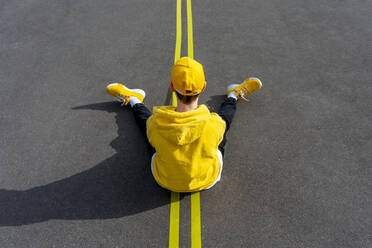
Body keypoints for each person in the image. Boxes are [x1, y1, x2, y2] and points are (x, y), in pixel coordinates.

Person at [106, 57, 262, 192]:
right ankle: (233, 95)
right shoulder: (213, 123)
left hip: (165, 181)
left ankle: (134, 100)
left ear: (172, 87)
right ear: (203, 87)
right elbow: (220, 125)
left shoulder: (155, 123)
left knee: (149, 129)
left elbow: (152, 132)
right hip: (207, 179)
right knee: (223, 125)